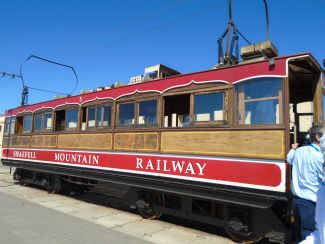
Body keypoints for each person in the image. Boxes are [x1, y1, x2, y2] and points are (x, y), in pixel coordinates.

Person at [287, 124, 325, 241]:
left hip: (297, 199)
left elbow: (289, 159)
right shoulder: (319, 157)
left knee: (299, 232)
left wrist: (293, 149)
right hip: (311, 202)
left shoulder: (299, 151)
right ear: (318, 137)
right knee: (310, 234)